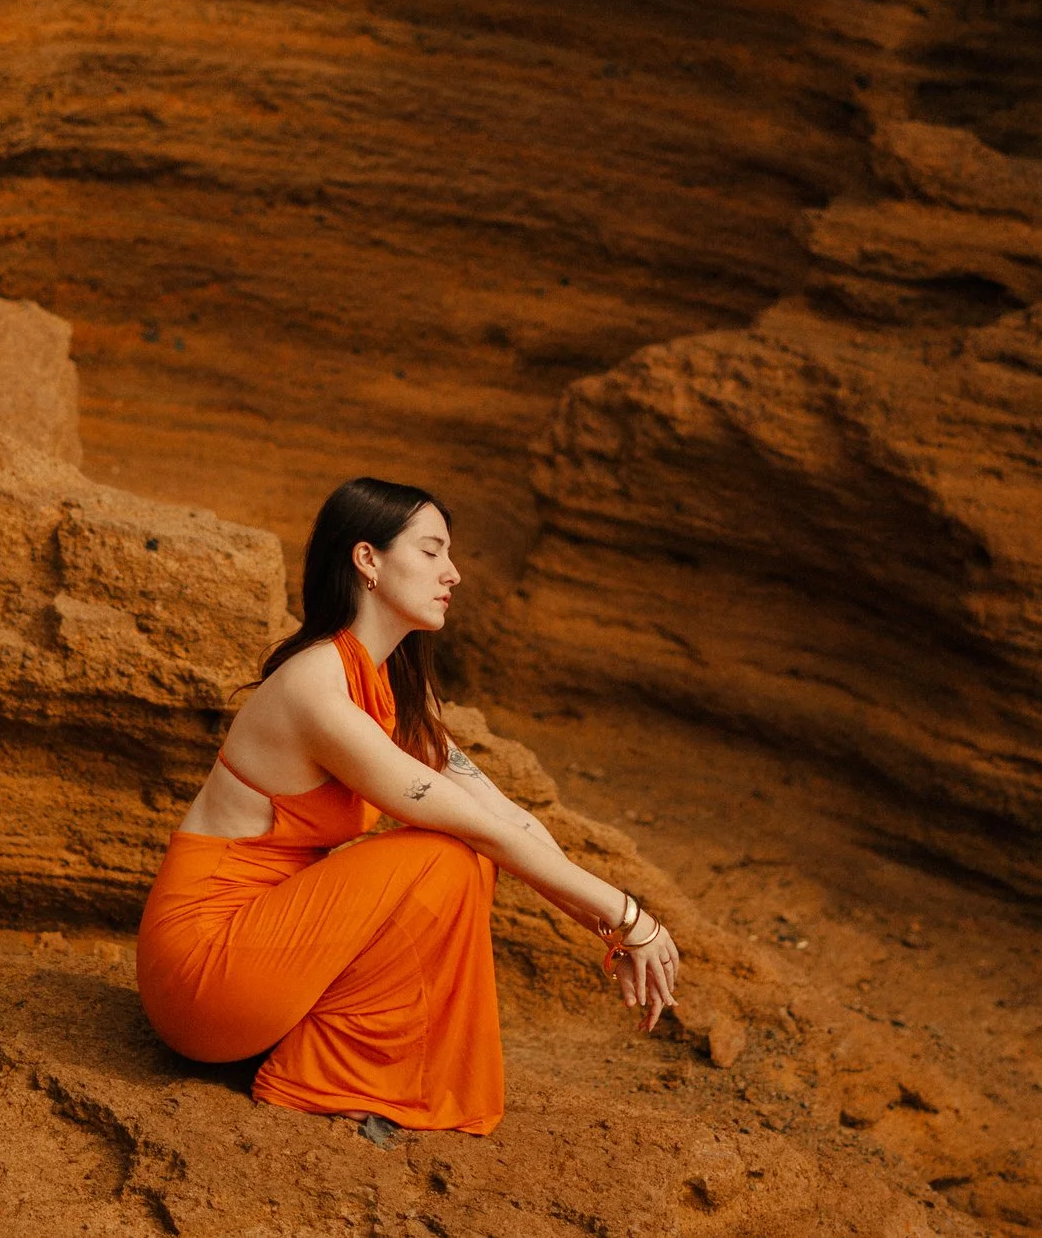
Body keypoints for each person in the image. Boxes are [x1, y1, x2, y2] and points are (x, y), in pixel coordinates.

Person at [135, 475, 683, 1137]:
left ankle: (331, 1054)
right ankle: (328, 1072)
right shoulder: (315, 685)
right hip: (202, 973)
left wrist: (610, 925)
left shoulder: (394, 690)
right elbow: (475, 825)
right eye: (430, 551)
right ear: (367, 559)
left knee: (464, 860)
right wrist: (630, 918)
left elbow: (509, 817)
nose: (452, 572)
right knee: (443, 853)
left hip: (271, 955)